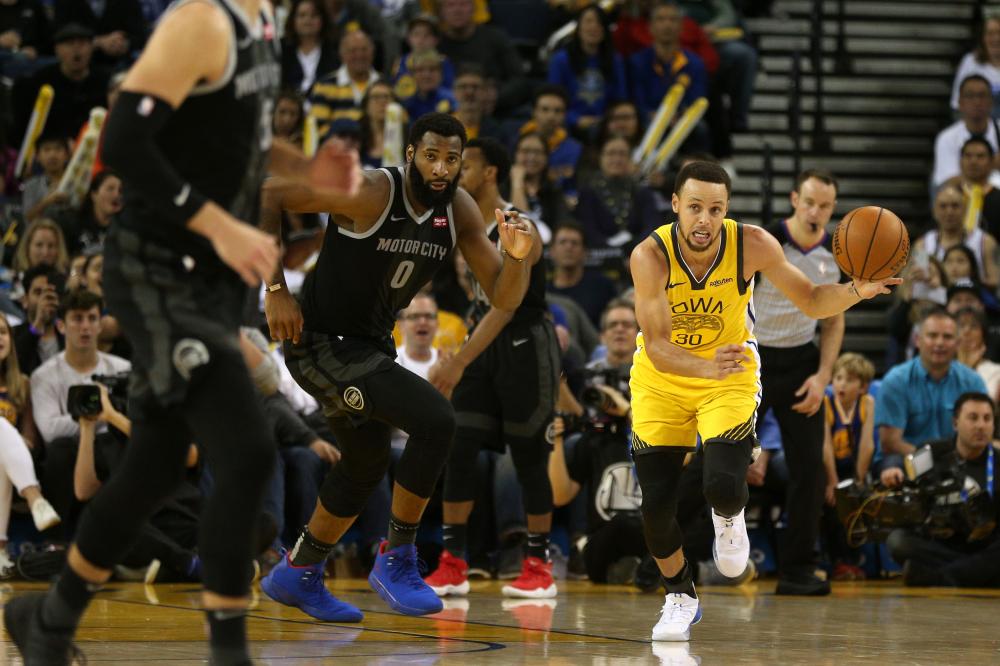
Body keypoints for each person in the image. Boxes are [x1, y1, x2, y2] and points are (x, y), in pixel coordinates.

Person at [0, 0, 346, 662]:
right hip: (157, 272)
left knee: (153, 469)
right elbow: (124, 141)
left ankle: (49, 617)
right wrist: (219, 223)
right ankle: (228, 651)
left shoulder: (264, 25)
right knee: (247, 452)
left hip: (208, 281)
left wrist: (305, 171)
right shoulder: (201, 21)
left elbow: (234, 144)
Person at [259, 112, 534, 621]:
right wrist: (275, 289)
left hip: (369, 347)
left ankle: (297, 572)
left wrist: (517, 259)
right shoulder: (368, 191)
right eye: (431, 156)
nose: (441, 168)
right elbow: (270, 192)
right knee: (436, 421)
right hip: (320, 343)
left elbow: (503, 295)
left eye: (452, 159)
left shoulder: (460, 210)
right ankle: (398, 558)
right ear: (410, 154)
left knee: (364, 464)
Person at [627, 161, 898, 641]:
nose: (704, 220)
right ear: (675, 207)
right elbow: (658, 347)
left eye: (715, 208)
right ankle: (680, 597)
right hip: (662, 377)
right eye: (694, 208)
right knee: (656, 509)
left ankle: (729, 518)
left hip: (729, 373)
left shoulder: (752, 244)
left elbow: (813, 300)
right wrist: (704, 364)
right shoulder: (650, 256)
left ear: (727, 209)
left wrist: (857, 290)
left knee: (725, 485)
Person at [422, 137, 555, 598]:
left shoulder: (519, 225)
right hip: (481, 341)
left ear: (491, 172)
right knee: (457, 446)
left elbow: (504, 305)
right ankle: (453, 561)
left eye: (465, 164)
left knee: (529, 457)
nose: (455, 171)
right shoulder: (459, 223)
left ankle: (538, 564)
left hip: (523, 343)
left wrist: (457, 360)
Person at [751, 169, 844, 595]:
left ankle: (797, 569)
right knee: (722, 458)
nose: (816, 211)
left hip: (802, 361)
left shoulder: (837, 253)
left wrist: (823, 376)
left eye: (825, 205)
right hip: (754, 357)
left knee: (809, 466)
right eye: (809, 202)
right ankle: (668, 555)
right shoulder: (767, 241)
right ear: (794, 199)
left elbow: (833, 319)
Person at [881, 392, 1000, 588]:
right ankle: (977, 576)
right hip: (941, 544)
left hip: (984, 545)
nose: (981, 425)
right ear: (955, 423)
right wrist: (893, 474)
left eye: (987, 419)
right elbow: (903, 480)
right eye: (973, 418)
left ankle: (939, 578)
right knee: (898, 541)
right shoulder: (929, 452)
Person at [877, 308, 987, 457]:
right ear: (917, 340)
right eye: (932, 336)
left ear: (958, 343)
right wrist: (931, 462)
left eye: (947, 337)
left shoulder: (973, 382)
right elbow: (889, 443)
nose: (940, 343)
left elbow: (981, 433)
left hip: (957, 459)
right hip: (905, 460)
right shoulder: (896, 380)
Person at [820, 352, 876, 581]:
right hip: (827, 468)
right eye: (839, 378)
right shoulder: (826, 401)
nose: (842, 384)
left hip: (852, 468)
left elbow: (867, 445)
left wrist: (859, 481)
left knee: (858, 504)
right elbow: (824, 445)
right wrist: (832, 482)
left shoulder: (867, 403)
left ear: (863, 387)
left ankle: (855, 561)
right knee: (833, 507)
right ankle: (837, 562)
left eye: (850, 380)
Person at [546, 4, 627, 137]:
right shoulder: (561, 60)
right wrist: (575, 119)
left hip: (606, 126)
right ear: (578, 27)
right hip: (568, 125)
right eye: (588, 21)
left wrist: (606, 120)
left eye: (599, 22)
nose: (594, 27)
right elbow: (553, 98)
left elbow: (620, 99)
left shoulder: (615, 60)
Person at [915, 180, 999, 288]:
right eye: (943, 206)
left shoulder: (985, 241)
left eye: (955, 206)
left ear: (965, 209)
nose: (949, 212)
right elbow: (919, 284)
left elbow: (995, 281)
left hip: (973, 301)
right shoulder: (923, 245)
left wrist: (964, 284)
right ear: (934, 211)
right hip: (935, 302)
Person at [933, 75, 1000, 189]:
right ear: (960, 102)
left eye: (982, 96)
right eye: (970, 96)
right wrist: (992, 163)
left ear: (991, 102)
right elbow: (950, 181)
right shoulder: (947, 138)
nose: (977, 101)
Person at [548, 223, 618, 327]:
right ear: (552, 251)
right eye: (562, 242)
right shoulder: (543, 292)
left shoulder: (602, 287)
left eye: (574, 243)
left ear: (585, 252)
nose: (568, 247)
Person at [280, 0, 338, 94]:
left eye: (314, 15)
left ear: (323, 19)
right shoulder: (281, 49)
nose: (307, 21)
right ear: (293, 19)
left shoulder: (334, 49)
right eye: (302, 15)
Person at [950, 11, 1000, 117]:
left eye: (999, 33)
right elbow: (957, 105)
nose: (996, 38)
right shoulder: (970, 62)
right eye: (990, 33)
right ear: (983, 38)